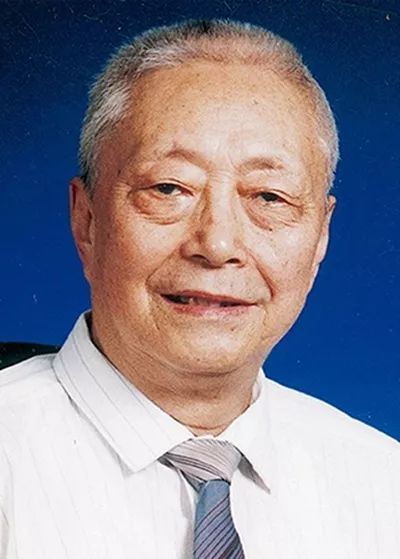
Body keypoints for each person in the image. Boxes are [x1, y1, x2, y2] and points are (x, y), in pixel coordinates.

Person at [0, 19, 398, 559]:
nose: (218, 243)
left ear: (321, 236)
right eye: (170, 188)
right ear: (86, 220)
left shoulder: (383, 485)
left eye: (269, 197)